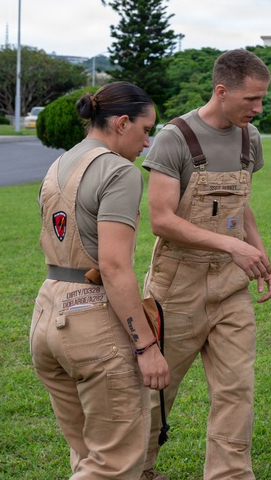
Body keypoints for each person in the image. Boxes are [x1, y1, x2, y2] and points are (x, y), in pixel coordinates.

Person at [140, 49, 271, 480]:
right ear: (222, 91)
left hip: (231, 285)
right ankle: (134, 469)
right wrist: (230, 246)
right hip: (178, 282)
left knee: (237, 389)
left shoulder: (248, 137)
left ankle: (230, 474)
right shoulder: (174, 138)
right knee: (156, 390)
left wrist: (259, 255)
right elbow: (161, 220)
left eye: (261, 99)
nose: (258, 109)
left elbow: (241, 204)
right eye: (251, 100)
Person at [30, 81, 170, 480]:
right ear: (122, 123)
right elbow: (113, 266)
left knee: (87, 452)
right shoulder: (118, 171)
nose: (147, 142)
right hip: (92, 319)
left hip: (47, 312)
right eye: (146, 130)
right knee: (113, 464)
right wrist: (146, 347)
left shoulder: (59, 164)